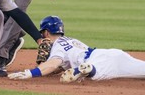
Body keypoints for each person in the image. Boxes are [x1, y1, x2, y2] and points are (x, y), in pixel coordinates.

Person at [8, 16, 145, 82]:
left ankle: (88, 69)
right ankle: (86, 68)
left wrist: (30, 73)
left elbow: (53, 64)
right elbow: (58, 68)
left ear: (46, 32)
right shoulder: (71, 40)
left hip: (97, 62)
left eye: (42, 33)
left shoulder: (57, 46)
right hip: (112, 53)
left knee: (96, 74)